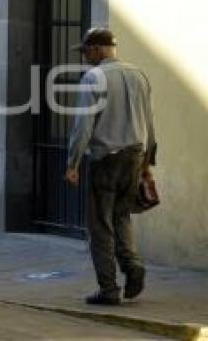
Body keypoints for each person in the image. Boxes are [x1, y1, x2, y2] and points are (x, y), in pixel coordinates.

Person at [64, 28, 157, 306]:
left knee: (100, 225)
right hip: (135, 156)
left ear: (98, 50)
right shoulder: (139, 75)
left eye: (86, 51)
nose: (85, 57)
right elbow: (149, 122)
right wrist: (148, 163)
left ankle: (109, 289)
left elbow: (83, 126)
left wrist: (73, 162)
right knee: (122, 217)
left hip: (106, 160)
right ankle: (133, 266)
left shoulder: (94, 78)